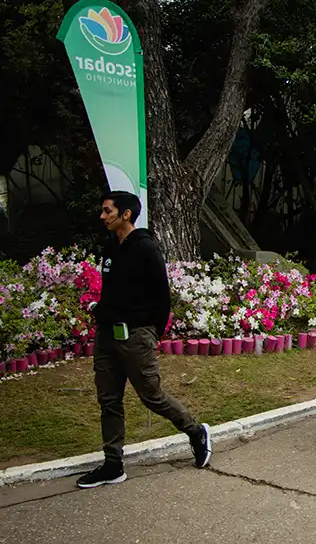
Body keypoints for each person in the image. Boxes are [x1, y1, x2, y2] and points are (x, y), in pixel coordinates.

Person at [77, 192, 211, 489]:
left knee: (151, 396)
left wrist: (151, 332)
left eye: (107, 211)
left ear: (125, 214)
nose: (102, 216)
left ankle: (195, 431)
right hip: (107, 336)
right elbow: (112, 292)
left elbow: (162, 296)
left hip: (136, 336)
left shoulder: (146, 248)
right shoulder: (111, 248)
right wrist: (101, 312)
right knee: (108, 400)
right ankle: (113, 464)